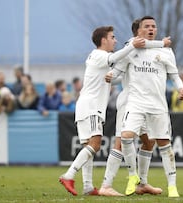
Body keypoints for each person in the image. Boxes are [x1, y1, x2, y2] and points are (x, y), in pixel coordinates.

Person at [58, 26, 146, 196]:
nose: (115, 40)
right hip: (92, 107)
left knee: (88, 146)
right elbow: (115, 58)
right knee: (95, 144)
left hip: (85, 105)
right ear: (103, 40)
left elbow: (110, 79)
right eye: (112, 37)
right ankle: (69, 175)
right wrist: (132, 45)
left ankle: (88, 186)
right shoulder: (100, 55)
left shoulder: (97, 58)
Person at [105, 16, 183, 198]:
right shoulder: (131, 48)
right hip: (135, 103)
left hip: (158, 105)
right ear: (138, 30)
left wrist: (180, 89)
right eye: (146, 26)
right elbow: (118, 70)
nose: (151, 29)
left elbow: (174, 75)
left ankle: (172, 186)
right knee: (125, 137)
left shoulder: (166, 51)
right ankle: (132, 176)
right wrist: (111, 75)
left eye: (153, 26)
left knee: (163, 144)